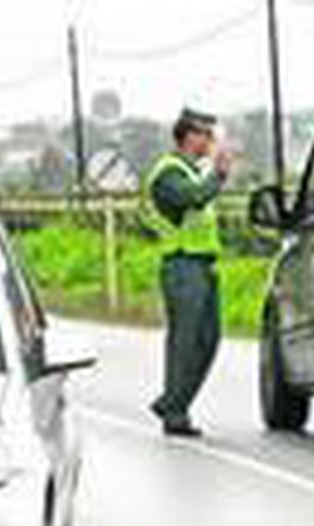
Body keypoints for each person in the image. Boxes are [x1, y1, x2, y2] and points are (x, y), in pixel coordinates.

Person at [139, 108, 233, 437]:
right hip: (182, 265)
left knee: (209, 339)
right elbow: (192, 199)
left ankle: (172, 401)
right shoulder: (168, 174)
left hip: (203, 264)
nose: (210, 141)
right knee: (185, 341)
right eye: (205, 134)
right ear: (188, 136)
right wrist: (219, 175)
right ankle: (175, 412)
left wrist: (213, 175)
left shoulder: (194, 171)